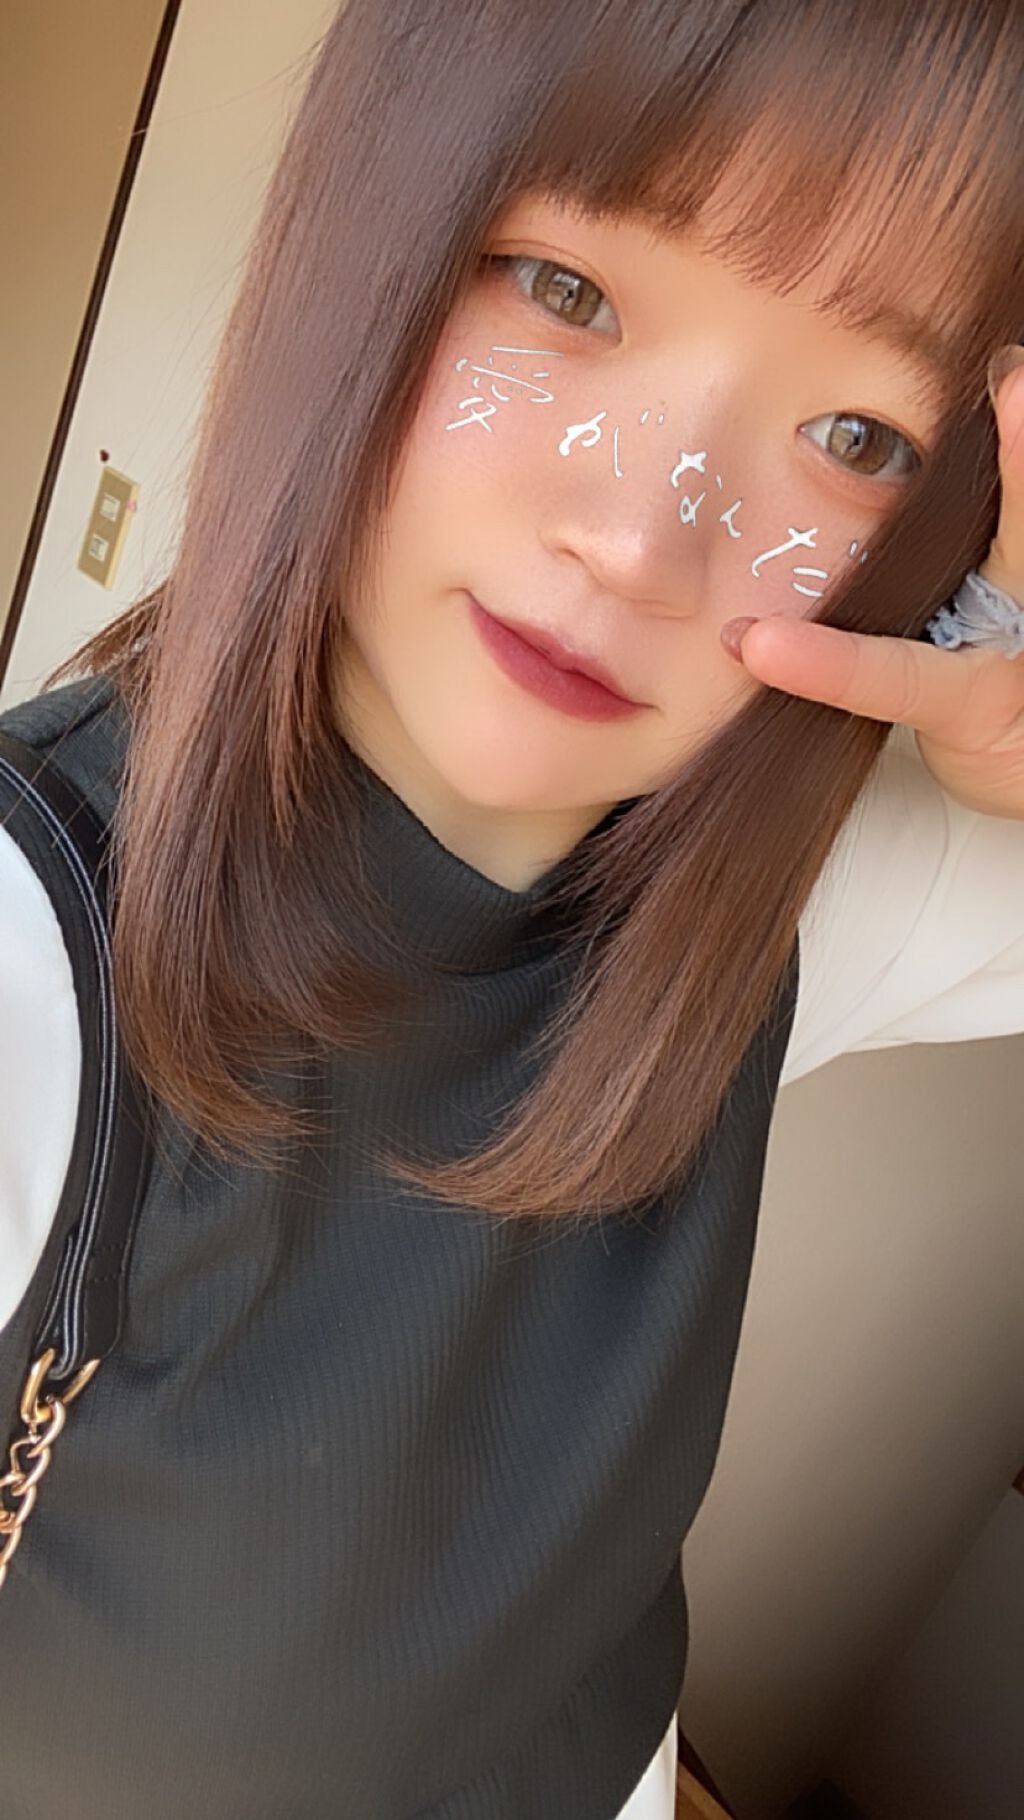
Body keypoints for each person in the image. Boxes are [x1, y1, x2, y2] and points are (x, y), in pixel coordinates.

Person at [2, 2, 1023, 1815]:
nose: (640, 541)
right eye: (567, 292)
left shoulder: (747, 915)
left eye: (856, 433)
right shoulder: (31, 941)